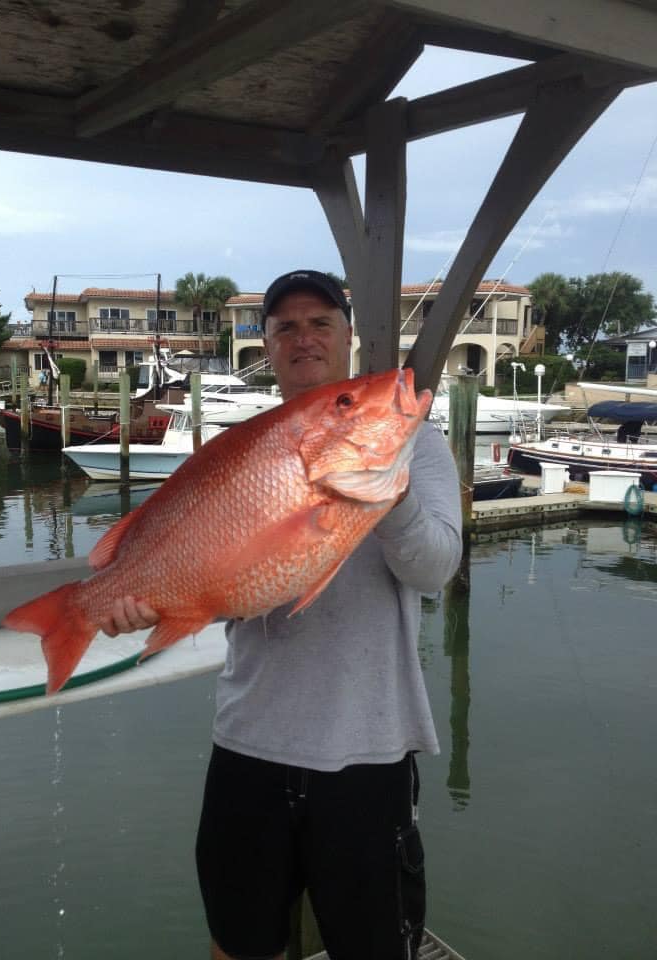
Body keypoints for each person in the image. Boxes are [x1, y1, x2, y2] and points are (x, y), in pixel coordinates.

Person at [100, 269, 462, 960]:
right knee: (238, 944)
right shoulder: (237, 453)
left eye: (321, 322)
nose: (304, 338)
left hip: (369, 749)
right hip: (250, 743)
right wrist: (136, 604)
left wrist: (384, 486)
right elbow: (215, 579)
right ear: (266, 346)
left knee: (375, 946)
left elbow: (435, 568)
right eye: (285, 327)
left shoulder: (419, 447)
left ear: (349, 337)